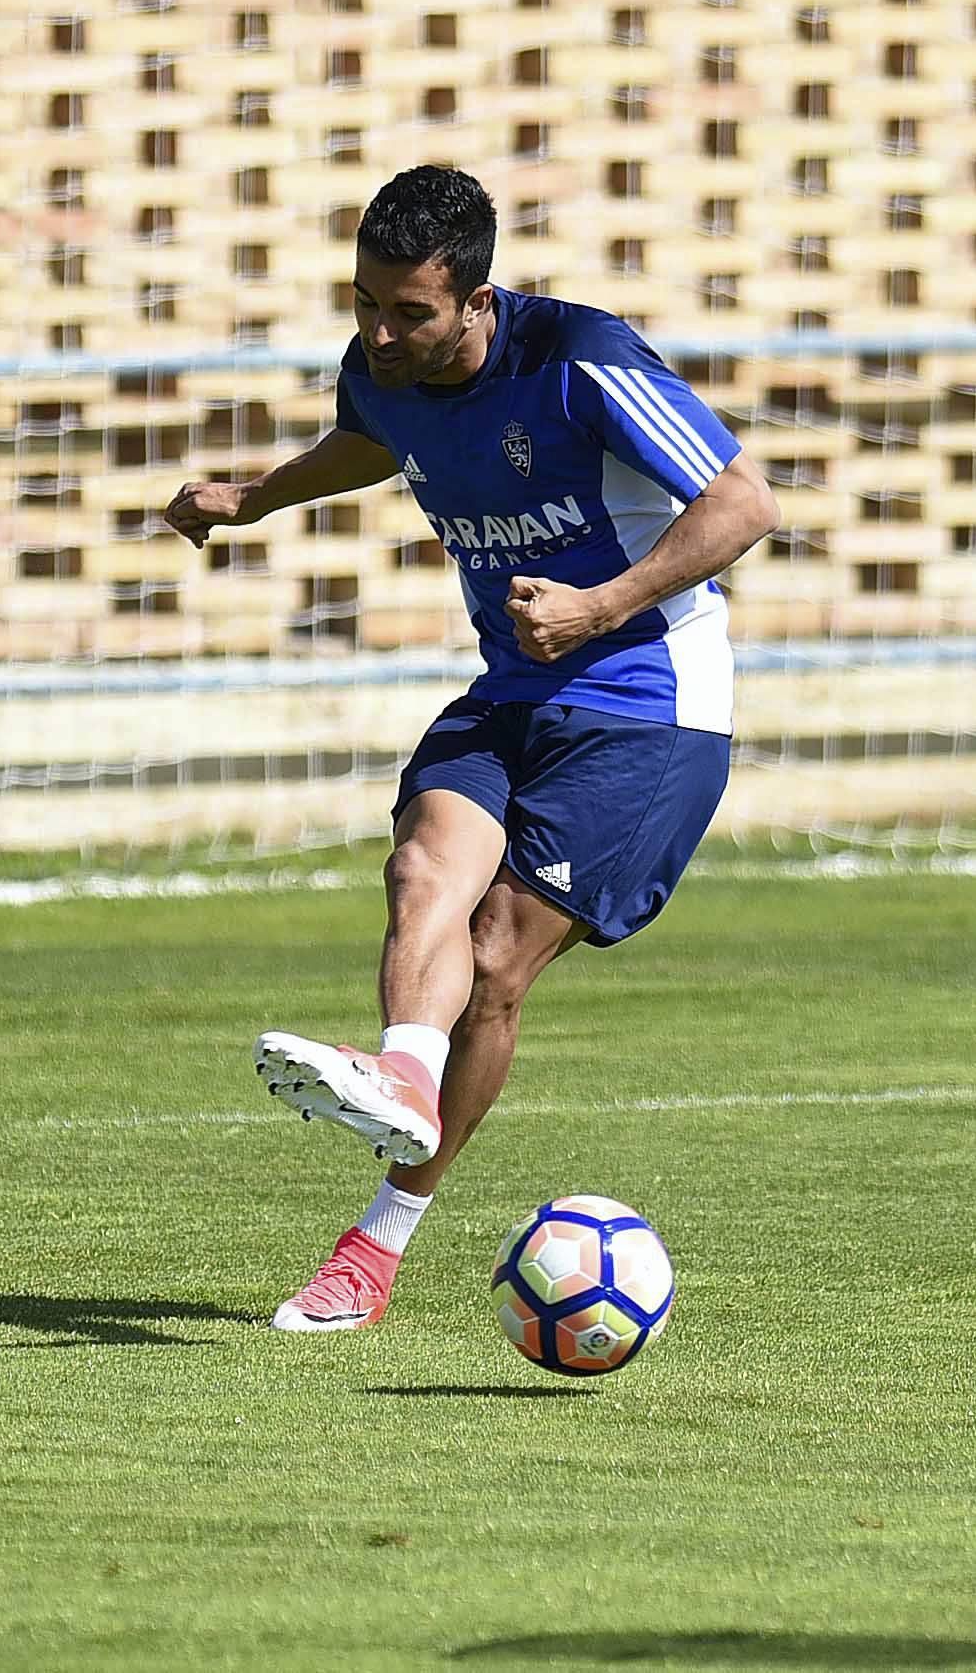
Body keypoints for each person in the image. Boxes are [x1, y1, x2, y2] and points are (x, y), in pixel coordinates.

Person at [164, 165, 779, 1333]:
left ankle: (374, 1249)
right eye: (365, 304)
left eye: (412, 313)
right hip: (514, 686)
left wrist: (601, 606)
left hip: (649, 704)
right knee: (419, 874)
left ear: (478, 298)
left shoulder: (579, 358)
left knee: (497, 954)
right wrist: (256, 496)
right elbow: (370, 437)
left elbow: (746, 501)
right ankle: (403, 1069)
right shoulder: (379, 371)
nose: (382, 332)